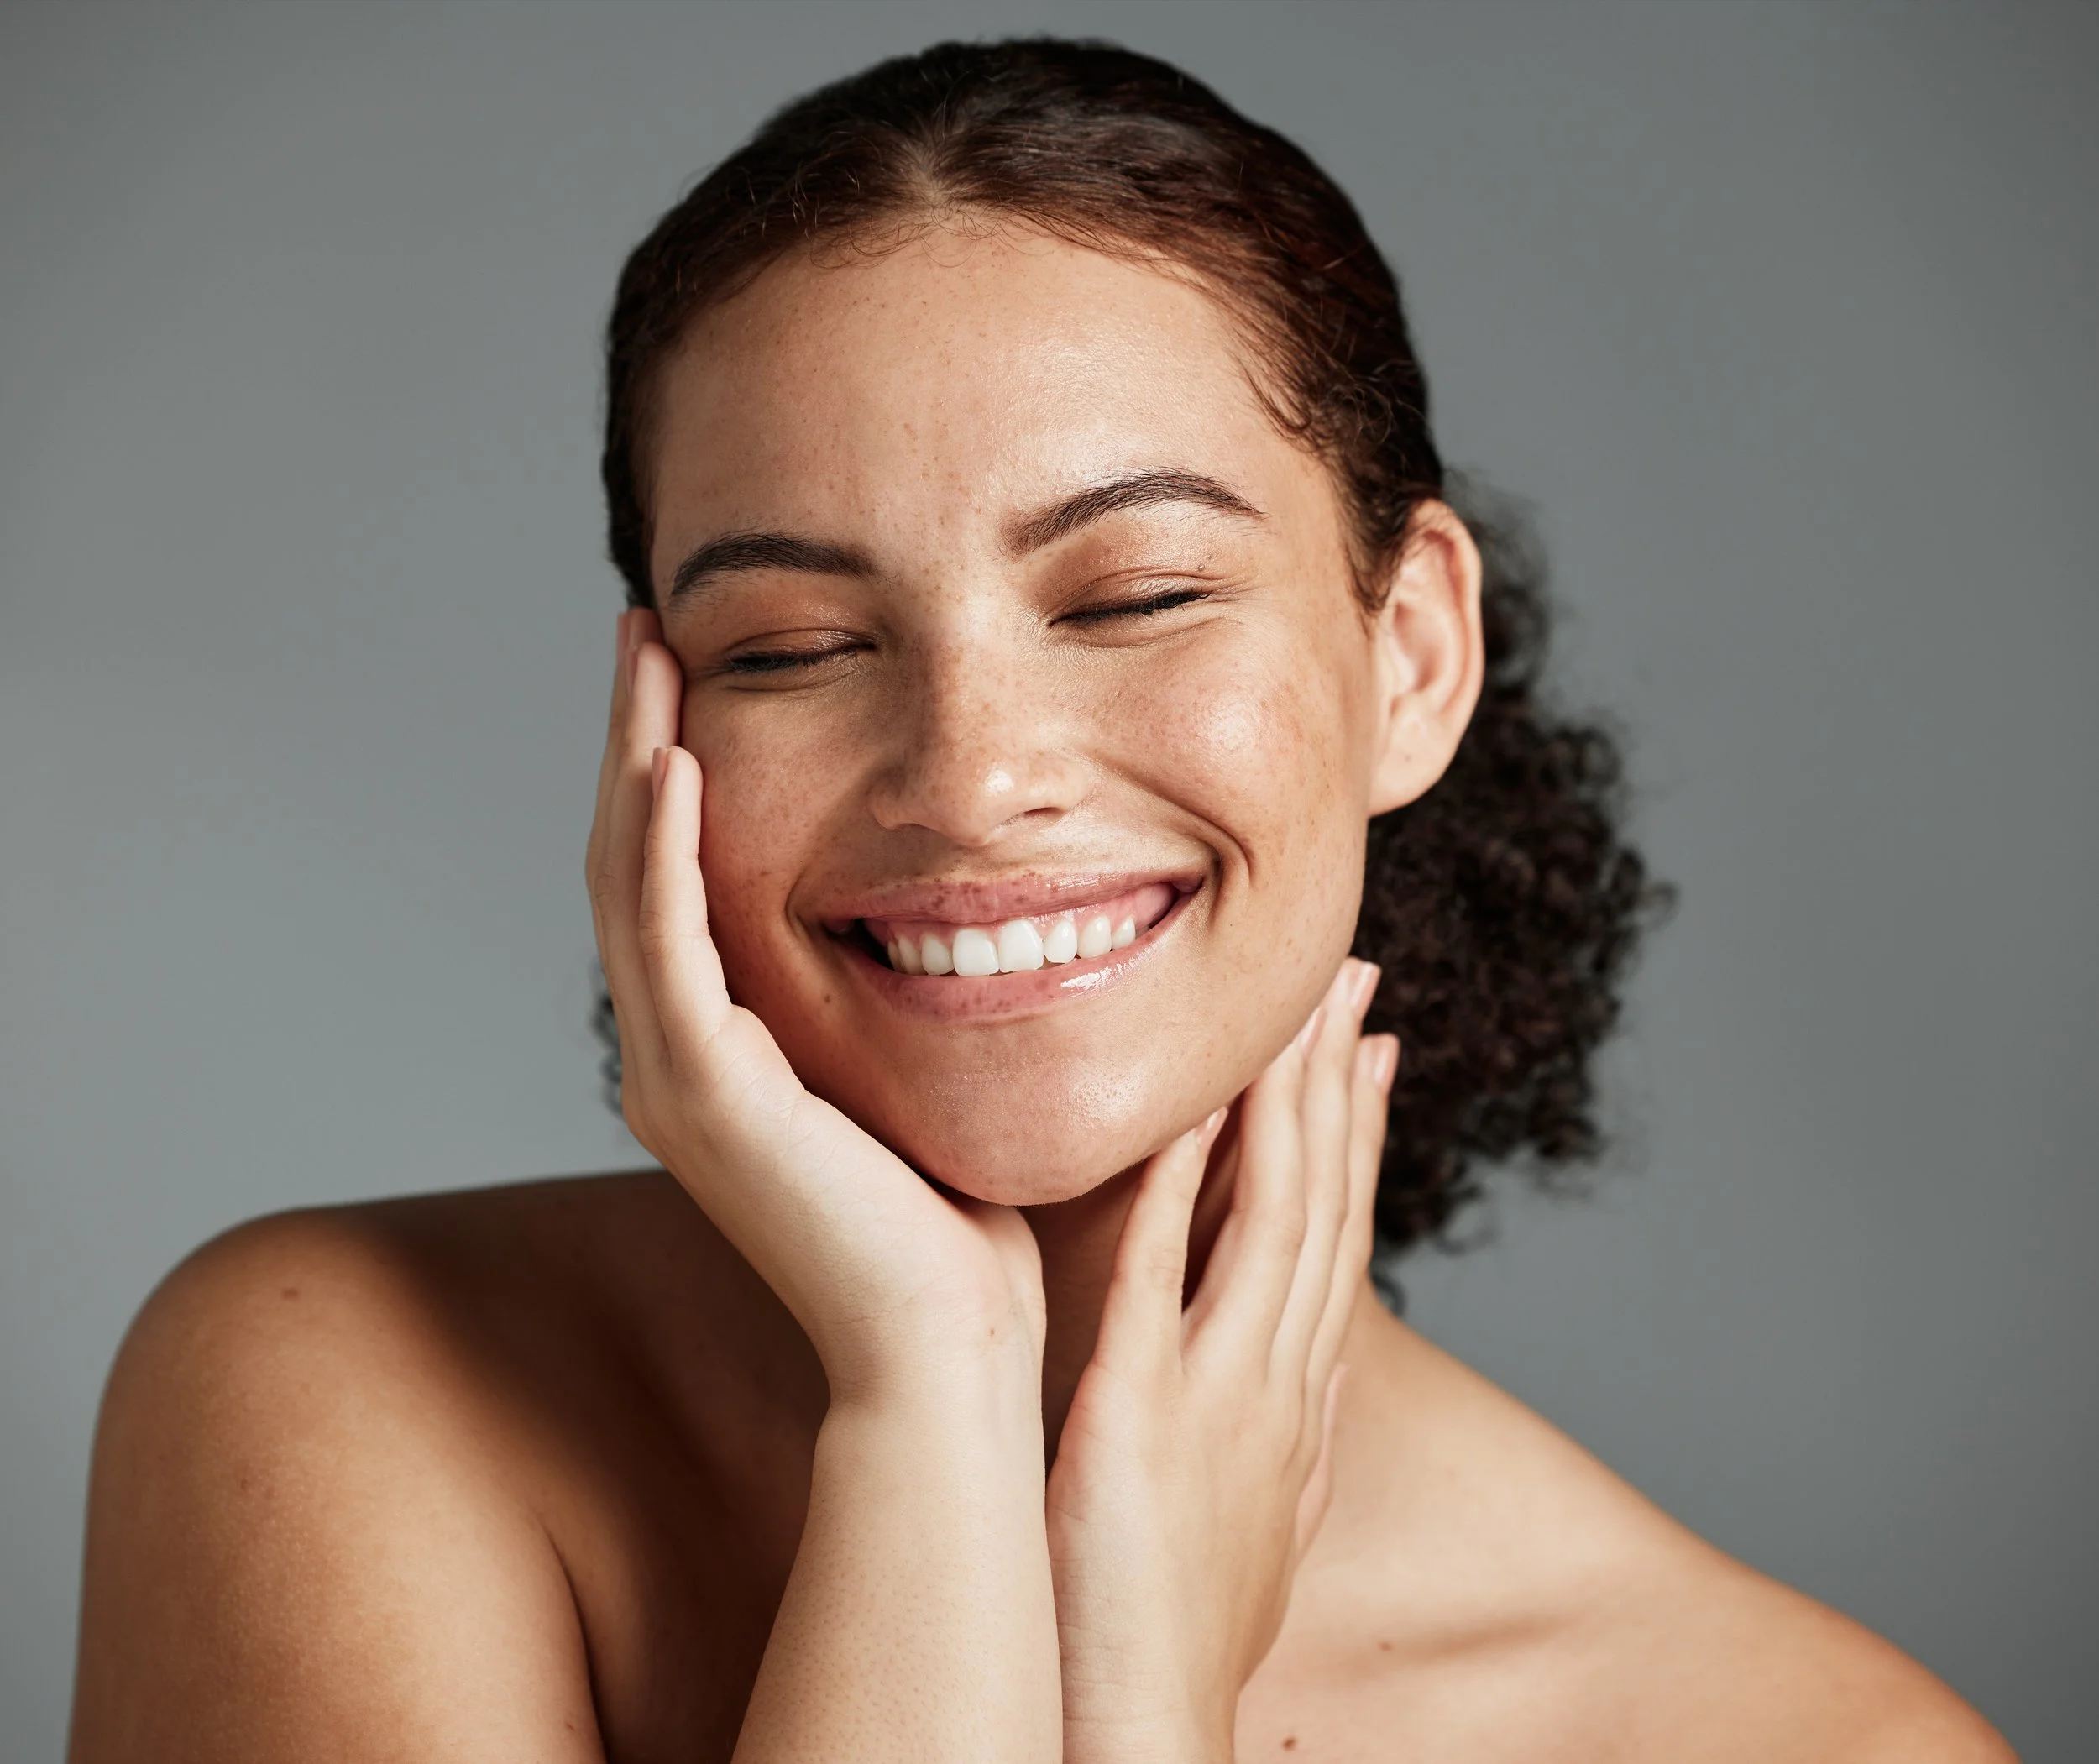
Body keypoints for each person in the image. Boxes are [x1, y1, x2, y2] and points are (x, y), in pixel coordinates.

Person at [67, 38, 2013, 1763]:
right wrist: (927, 1418)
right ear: (652, 717)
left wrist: (1137, 1711)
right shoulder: (338, 1397)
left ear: (1408, 652)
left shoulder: (1805, 1736)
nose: (968, 773)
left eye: (1135, 598)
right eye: (794, 645)